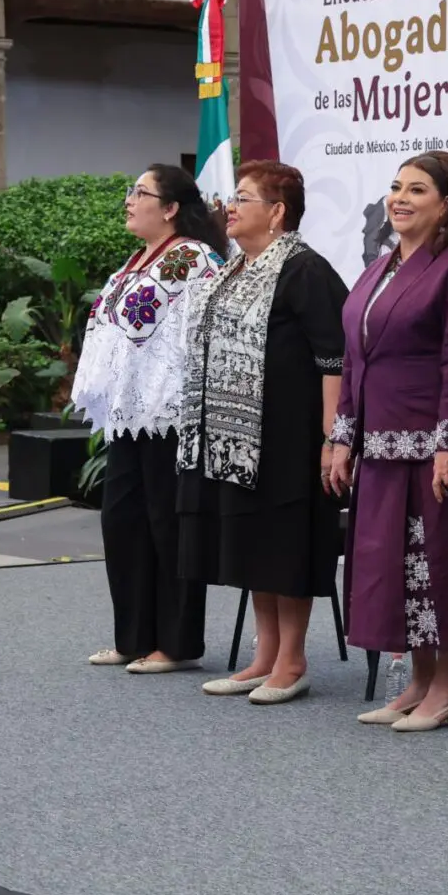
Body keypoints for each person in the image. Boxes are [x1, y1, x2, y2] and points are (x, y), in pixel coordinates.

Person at [329, 152, 448, 730]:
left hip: (436, 448)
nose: (400, 199)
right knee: (395, 569)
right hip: (382, 448)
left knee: (438, 564)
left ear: (447, 204)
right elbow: (355, 359)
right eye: (396, 187)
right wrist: (343, 437)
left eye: (416, 189)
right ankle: (418, 681)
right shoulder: (379, 269)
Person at [175, 160, 350, 705]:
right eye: (233, 197)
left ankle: (292, 659)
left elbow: (336, 358)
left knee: (285, 545)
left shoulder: (304, 270)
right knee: (255, 544)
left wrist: (332, 436)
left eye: (243, 198)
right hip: (239, 437)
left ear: (277, 212)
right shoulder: (235, 268)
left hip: (291, 437)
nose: (230, 207)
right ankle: (265, 654)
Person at [73, 164, 226, 674]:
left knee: (168, 523)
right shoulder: (136, 260)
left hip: (172, 413)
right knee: (123, 521)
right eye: (131, 191)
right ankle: (133, 636)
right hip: (131, 413)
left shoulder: (193, 257)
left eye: (140, 193)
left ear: (171, 208)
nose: (129, 200)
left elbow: (178, 332)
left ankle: (175, 643)